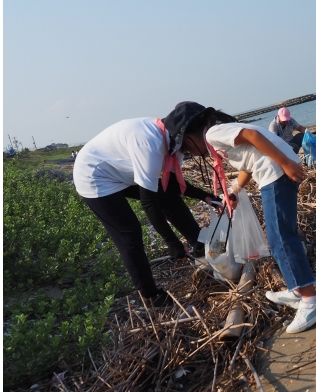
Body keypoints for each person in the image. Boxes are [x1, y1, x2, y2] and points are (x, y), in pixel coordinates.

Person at [178, 107, 316, 334]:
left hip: (276, 173)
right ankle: (297, 289)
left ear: (194, 133)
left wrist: (287, 163)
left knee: (281, 238)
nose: (192, 152)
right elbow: (249, 162)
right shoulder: (221, 136)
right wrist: (234, 190)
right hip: (275, 171)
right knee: (281, 236)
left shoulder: (212, 134)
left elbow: (254, 137)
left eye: (189, 146)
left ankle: (312, 300)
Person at [73, 102, 223, 306]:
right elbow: (149, 203)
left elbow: (171, 186)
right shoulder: (149, 144)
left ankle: (198, 245)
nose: (208, 147)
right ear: (188, 134)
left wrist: (205, 196)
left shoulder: (176, 142)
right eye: (205, 140)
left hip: (120, 171)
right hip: (94, 175)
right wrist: (172, 243)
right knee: (129, 233)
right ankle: (151, 295)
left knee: (167, 195)